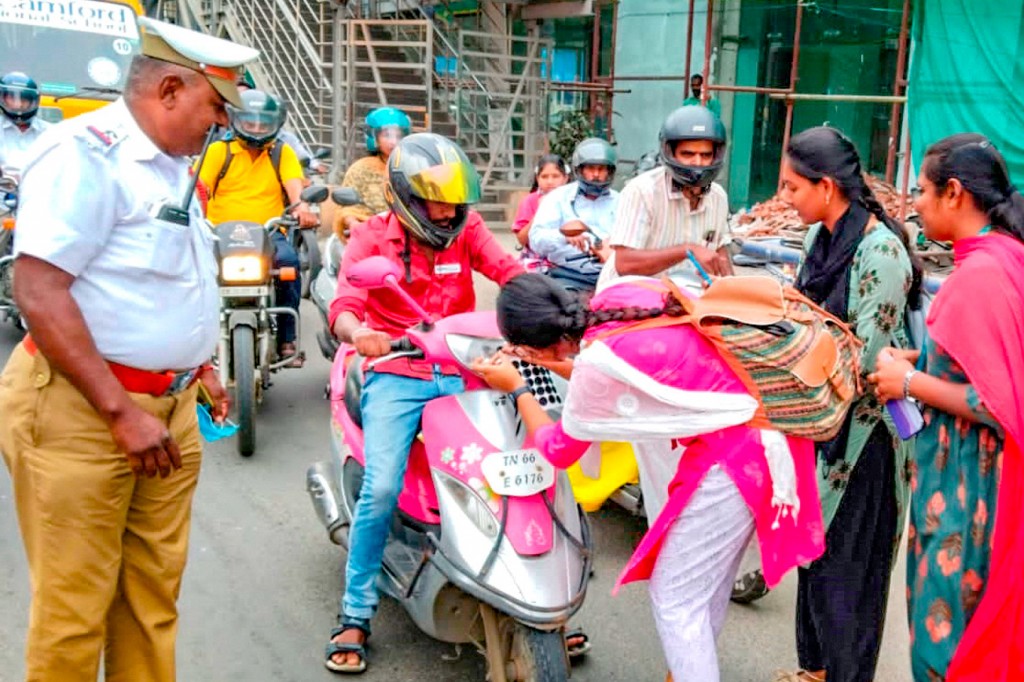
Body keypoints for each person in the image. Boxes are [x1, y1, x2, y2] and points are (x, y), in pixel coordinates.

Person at [0, 17, 255, 682]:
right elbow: (38, 288)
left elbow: (160, 282)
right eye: (215, 107)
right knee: (75, 612)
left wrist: (200, 369)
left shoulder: (172, 164)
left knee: (150, 602)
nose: (221, 126)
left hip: (165, 410)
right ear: (170, 89)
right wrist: (119, 411)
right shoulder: (85, 154)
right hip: (83, 413)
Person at [471, 273, 825, 681]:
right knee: (703, 587)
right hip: (767, 431)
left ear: (536, 342)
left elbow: (557, 449)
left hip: (739, 456)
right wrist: (562, 364)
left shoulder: (596, 362)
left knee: (674, 597)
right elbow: (633, 374)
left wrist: (517, 387)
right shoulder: (620, 298)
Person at [324, 132, 524, 674]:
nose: (448, 210)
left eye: (455, 199)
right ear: (405, 199)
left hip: (463, 367)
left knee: (514, 471)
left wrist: (550, 304)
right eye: (435, 199)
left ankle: (536, 597)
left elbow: (510, 272)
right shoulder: (371, 237)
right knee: (384, 485)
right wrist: (357, 331)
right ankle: (355, 610)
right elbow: (343, 305)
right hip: (397, 370)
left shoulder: (468, 229)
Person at [870, 134, 1024, 682]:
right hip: (978, 483)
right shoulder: (1005, 258)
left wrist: (908, 380)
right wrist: (922, 363)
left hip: (966, 490)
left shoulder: (977, 278)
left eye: (922, 190)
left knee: (948, 650)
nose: (915, 202)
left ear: (954, 193)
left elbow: (999, 401)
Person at [773, 126, 923, 682]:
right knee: (815, 562)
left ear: (827, 186)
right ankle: (814, 672)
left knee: (849, 577)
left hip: (866, 443)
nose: (785, 199)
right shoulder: (822, 237)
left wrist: (791, 358)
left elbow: (871, 364)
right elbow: (803, 315)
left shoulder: (879, 251)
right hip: (822, 428)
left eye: (793, 188)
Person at [196, 88, 317, 367]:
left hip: (269, 233)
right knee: (195, 271)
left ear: (276, 124)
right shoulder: (217, 151)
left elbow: (295, 187)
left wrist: (302, 207)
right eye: (250, 122)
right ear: (236, 120)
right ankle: (194, 338)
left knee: (288, 264)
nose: (257, 128)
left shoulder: (282, 153)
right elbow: (199, 189)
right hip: (219, 234)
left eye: (264, 123)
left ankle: (288, 340)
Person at [599, 105, 733, 290]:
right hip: (629, 296)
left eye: (705, 155)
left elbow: (720, 251)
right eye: (687, 154)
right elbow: (625, 265)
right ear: (671, 153)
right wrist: (687, 250)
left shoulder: (718, 197)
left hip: (683, 297)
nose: (697, 163)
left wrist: (730, 288)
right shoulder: (642, 191)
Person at [528, 137, 619, 287]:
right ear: (579, 169)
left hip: (613, 276)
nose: (596, 174)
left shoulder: (622, 201)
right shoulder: (557, 198)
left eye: (601, 169)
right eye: (590, 168)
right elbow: (536, 240)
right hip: (569, 276)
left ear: (610, 171)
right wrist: (563, 236)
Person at [332, 106, 412, 240]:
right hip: (371, 236)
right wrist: (353, 223)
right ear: (374, 137)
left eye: (399, 136)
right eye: (387, 135)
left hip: (410, 234)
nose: (393, 141)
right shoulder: (361, 169)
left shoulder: (413, 168)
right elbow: (346, 209)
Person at [511, 153, 571, 268]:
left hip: (569, 260)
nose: (550, 181)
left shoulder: (575, 200)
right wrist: (541, 212)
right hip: (535, 260)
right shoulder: (529, 201)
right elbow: (522, 240)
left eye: (555, 176)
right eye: (544, 176)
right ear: (537, 178)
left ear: (565, 178)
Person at [0, 72, 51, 177]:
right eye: (12, 98)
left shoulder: (50, 132)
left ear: (33, 100)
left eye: (24, 99)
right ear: (3, 99)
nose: (18, 104)